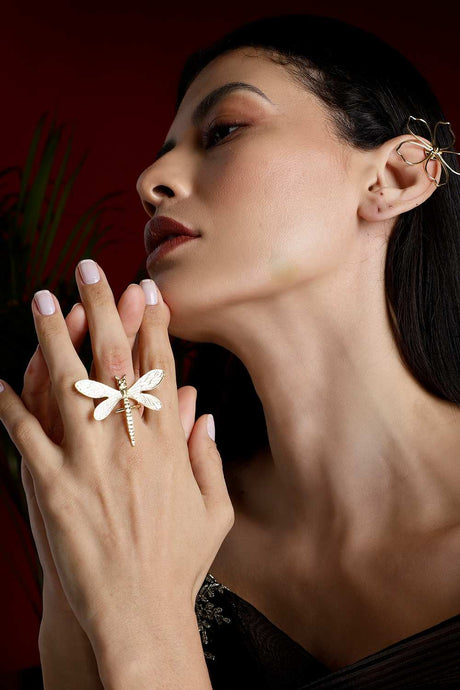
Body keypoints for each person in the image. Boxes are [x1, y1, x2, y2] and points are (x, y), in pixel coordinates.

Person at [1, 13, 459, 689]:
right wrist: (72, 556)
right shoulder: (145, 509)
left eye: (223, 131)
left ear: (393, 178)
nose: (149, 180)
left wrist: (146, 627)